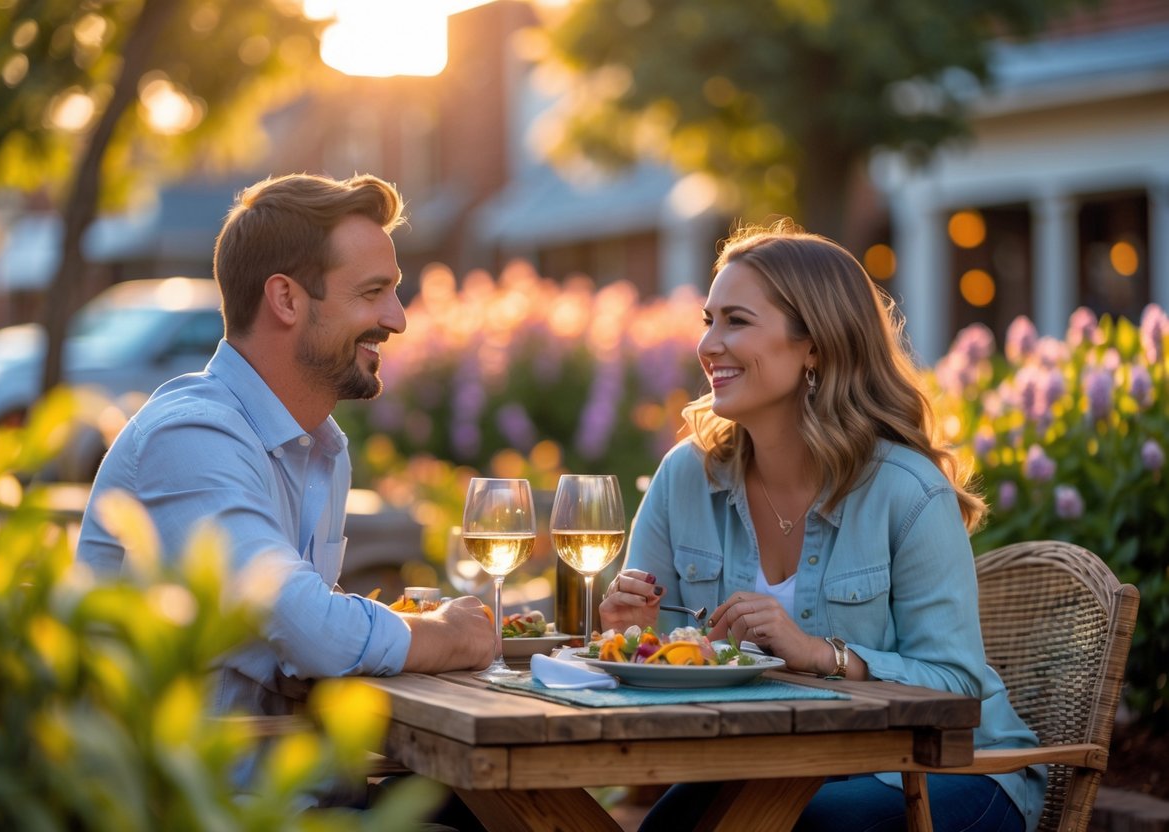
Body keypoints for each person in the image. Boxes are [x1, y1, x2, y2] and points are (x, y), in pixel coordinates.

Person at [599, 221, 1046, 832]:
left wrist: (823, 655)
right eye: (708, 320)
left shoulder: (906, 490)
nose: (708, 344)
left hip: (947, 774)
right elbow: (674, 676)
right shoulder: (685, 478)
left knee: (817, 827)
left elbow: (956, 687)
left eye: (736, 321)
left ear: (814, 345)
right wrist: (638, 641)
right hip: (775, 769)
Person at [77, 172, 496, 721]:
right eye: (373, 292)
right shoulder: (190, 437)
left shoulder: (320, 448)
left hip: (294, 791)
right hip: (206, 804)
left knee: (495, 799)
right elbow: (312, 631)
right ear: (286, 299)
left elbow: (303, 630)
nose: (398, 318)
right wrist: (449, 634)